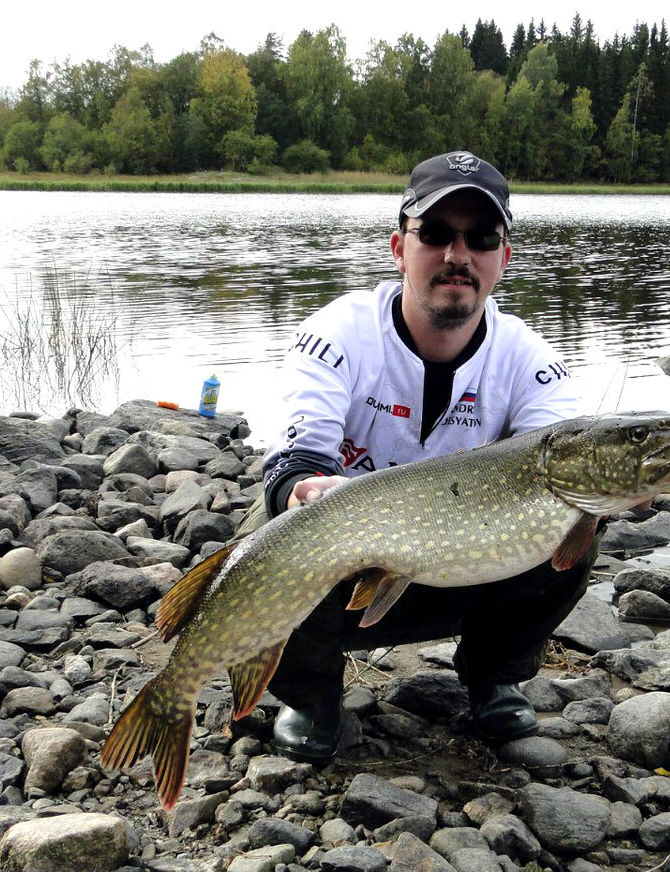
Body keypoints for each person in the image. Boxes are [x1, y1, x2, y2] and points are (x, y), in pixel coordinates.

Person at [243, 150, 594, 764]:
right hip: (343, 572)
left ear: (502, 259)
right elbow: (291, 461)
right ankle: (311, 698)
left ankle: (493, 679)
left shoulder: (528, 359)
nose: (458, 255)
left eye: (481, 237)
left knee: (574, 523)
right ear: (399, 248)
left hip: (458, 568)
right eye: (435, 233)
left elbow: (563, 456)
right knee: (280, 534)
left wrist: (621, 488)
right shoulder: (337, 333)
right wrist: (302, 490)